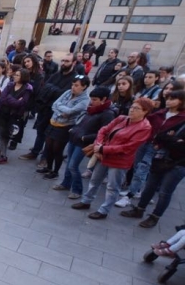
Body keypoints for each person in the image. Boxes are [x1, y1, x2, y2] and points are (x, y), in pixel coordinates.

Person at [71, 98, 154, 219]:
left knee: (112, 187)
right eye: (132, 107)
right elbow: (103, 130)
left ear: (145, 112)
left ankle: (104, 210)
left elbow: (128, 147)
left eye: (136, 108)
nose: (132, 110)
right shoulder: (122, 118)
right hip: (103, 155)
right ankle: (86, 201)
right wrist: (98, 146)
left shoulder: (145, 127)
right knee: (94, 180)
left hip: (119, 160)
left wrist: (102, 149)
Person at [120, 91, 185, 227]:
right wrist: (170, 138)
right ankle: (139, 209)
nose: (168, 101)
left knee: (165, 192)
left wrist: (167, 138)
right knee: (150, 185)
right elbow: (159, 134)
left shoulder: (182, 118)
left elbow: (171, 141)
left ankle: (154, 217)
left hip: (179, 163)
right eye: (168, 98)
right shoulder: (161, 113)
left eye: (173, 99)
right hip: (159, 155)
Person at [54, 87, 116, 198]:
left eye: (95, 99)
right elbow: (82, 121)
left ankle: (77, 190)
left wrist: (85, 138)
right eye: (91, 99)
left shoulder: (108, 114)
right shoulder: (91, 108)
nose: (92, 102)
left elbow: (104, 133)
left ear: (104, 99)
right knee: (69, 163)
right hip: (75, 137)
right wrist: (74, 130)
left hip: (84, 142)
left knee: (73, 165)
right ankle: (66, 183)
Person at [20, 53, 77, 162]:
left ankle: (45, 158)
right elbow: (46, 87)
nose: (64, 63)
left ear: (74, 63)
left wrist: (52, 90)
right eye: (63, 60)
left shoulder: (74, 78)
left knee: (50, 137)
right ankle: (35, 151)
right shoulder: (56, 74)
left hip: (58, 112)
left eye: (67, 61)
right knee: (40, 132)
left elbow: (64, 94)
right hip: (45, 108)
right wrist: (53, 90)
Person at [38, 75, 91, 180]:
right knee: (48, 147)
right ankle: (48, 167)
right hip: (54, 122)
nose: (73, 87)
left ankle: (55, 171)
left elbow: (71, 111)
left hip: (65, 127)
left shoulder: (85, 100)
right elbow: (55, 104)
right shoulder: (67, 92)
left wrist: (61, 109)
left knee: (57, 149)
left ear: (84, 87)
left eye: (76, 85)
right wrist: (61, 112)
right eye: (72, 84)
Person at [0, 67, 33, 164]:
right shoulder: (10, 85)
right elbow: (2, 98)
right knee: (2, 134)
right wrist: (14, 100)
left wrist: (9, 99)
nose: (14, 76)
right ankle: (1, 151)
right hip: (2, 113)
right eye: (15, 74)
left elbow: (21, 103)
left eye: (17, 75)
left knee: (6, 135)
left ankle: (3, 155)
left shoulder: (27, 89)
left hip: (13, 116)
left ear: (23, 77)